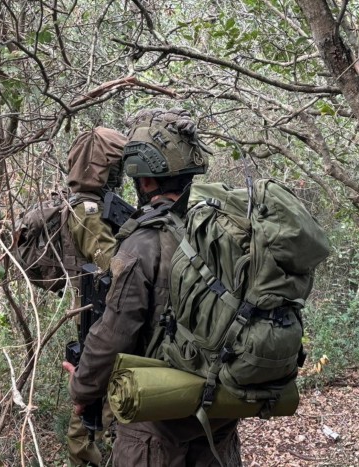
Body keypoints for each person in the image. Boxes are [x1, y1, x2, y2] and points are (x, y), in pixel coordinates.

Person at [63, 109, 242, 466]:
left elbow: (113, 334)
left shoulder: (142, 244)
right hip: (219, 418)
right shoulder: (227, 233)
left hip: (156, 430)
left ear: (145, 182)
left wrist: (82, 389)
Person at [64, 127, 127, 467]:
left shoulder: (98, 205)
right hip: (97, 314)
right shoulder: (86, 210)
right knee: (90, 407)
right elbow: (113, 264)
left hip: (101, 311)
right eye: (113, 166)